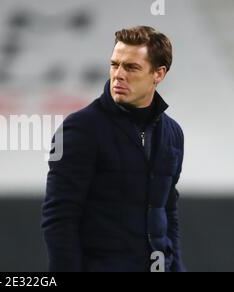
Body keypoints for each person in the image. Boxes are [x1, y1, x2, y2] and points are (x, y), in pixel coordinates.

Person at [42, 26, 185, 272]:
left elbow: (167, 211)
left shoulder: (172, 134)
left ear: (158, 74)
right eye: (114, 64)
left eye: (131, 67)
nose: (118, 75)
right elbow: (60, 217)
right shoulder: (80, 129)